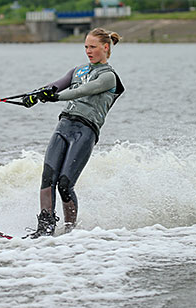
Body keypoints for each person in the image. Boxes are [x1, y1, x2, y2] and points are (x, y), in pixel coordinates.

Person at [22, 27, 125, 239]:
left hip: (85, 131)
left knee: (65, 184)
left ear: (105, 48)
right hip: (64, 126)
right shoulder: (76, 71)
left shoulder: (109, 77)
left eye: (93, 47)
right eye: (86, 47)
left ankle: (70, 232)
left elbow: (81, 91)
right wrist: (35, 95)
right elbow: (55, 85)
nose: (88, 51)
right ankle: (45, 227)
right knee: (48, 177)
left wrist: (55, 97)